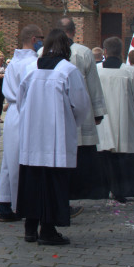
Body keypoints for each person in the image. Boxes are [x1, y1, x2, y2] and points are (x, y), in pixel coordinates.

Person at [16, 30, 92, 246]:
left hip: (32, 135)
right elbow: (81, 105)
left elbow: (21, 101)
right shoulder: (68, 70)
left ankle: (30, 228)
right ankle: (48, 229)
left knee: (32, 180)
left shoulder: (30, 69)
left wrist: (30, 120)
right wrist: (70, 123)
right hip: (56, 136)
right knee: (52, 182)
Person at [50, 16, 107, 208]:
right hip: (79, 113)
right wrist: (97, 112)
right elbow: (93, 85)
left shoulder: (43, 52)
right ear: (74, 31)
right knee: (79, 155)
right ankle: (77, 191)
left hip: (52, 115)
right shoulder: (83, 52)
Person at [0, 25, 43, 221]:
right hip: (26, 110)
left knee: (9, 160)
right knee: (21, 160)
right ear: (34, 39)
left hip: (13, 113)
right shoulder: (33, 63)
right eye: (41, 37)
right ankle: (22, 204)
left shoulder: (14, 61)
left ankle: (6, 204)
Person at [94, 38, 134, 203]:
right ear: (122, 52)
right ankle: (123, 190)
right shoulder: (129, 72)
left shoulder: (96, 71)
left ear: (105, 52)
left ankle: (102, 190)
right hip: (124, 119)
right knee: (122, 152)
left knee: (104, 153)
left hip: (102, 121)